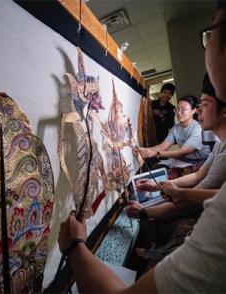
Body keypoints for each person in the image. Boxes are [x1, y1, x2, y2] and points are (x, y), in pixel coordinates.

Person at [57, 2, 226, 292]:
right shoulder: (216, 145)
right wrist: (158, 169)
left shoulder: (200, 135)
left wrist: (74, 246)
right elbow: (184, 164)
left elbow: (191, 171)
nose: (191, 113)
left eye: (212, 31)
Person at [128, 72, 226, 222]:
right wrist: (157, 184)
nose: (199, 110)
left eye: (204, 104)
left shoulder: (201, 132)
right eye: (177, 109)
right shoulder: (219, 144)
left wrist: (145, 212)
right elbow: (197, 176)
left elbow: (196, 194)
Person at [139, 95, 210, 165]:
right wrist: (143, 150)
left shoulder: (198, 129)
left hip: (201, 163)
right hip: (185, 160)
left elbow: (181, 152)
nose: (179, 112)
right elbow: (162, 147)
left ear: (193, 111)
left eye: (183, 109)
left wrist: (156, 154)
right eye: (177, 109)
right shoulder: (176, 128)